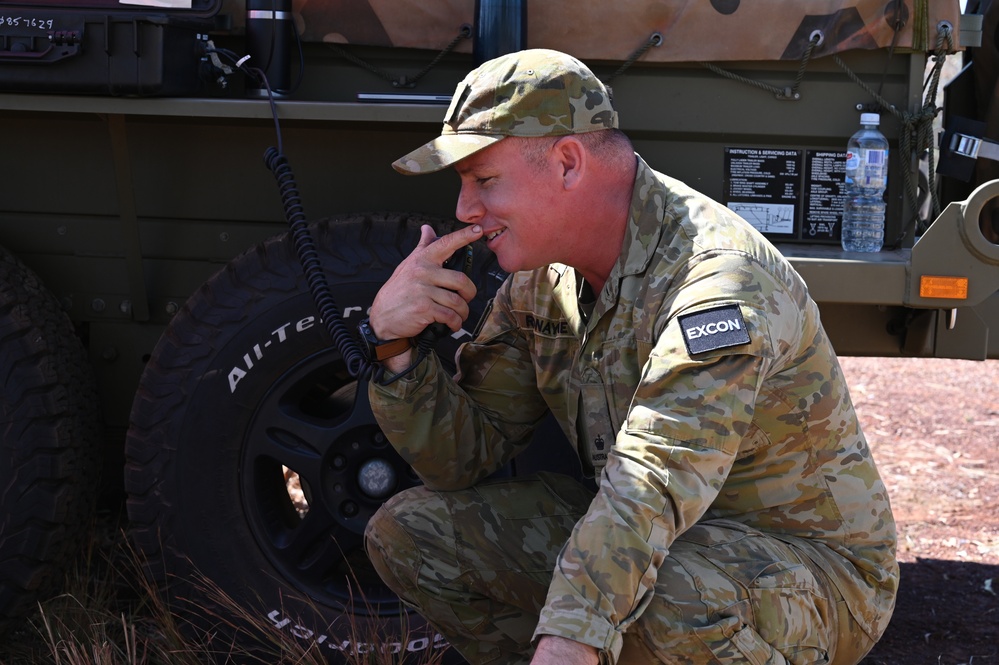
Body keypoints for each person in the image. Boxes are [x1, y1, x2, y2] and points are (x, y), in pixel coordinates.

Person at [360, 48, 898, 665]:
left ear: (567, 163)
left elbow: (652, 477)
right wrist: (394, 346)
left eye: (483, 180)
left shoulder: (718, 282)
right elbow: (462, 460)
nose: (463, 210)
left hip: (809, 572)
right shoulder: (543, 282)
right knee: (415, 535)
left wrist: (573, 636)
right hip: (659, 542)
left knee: (665, 601)